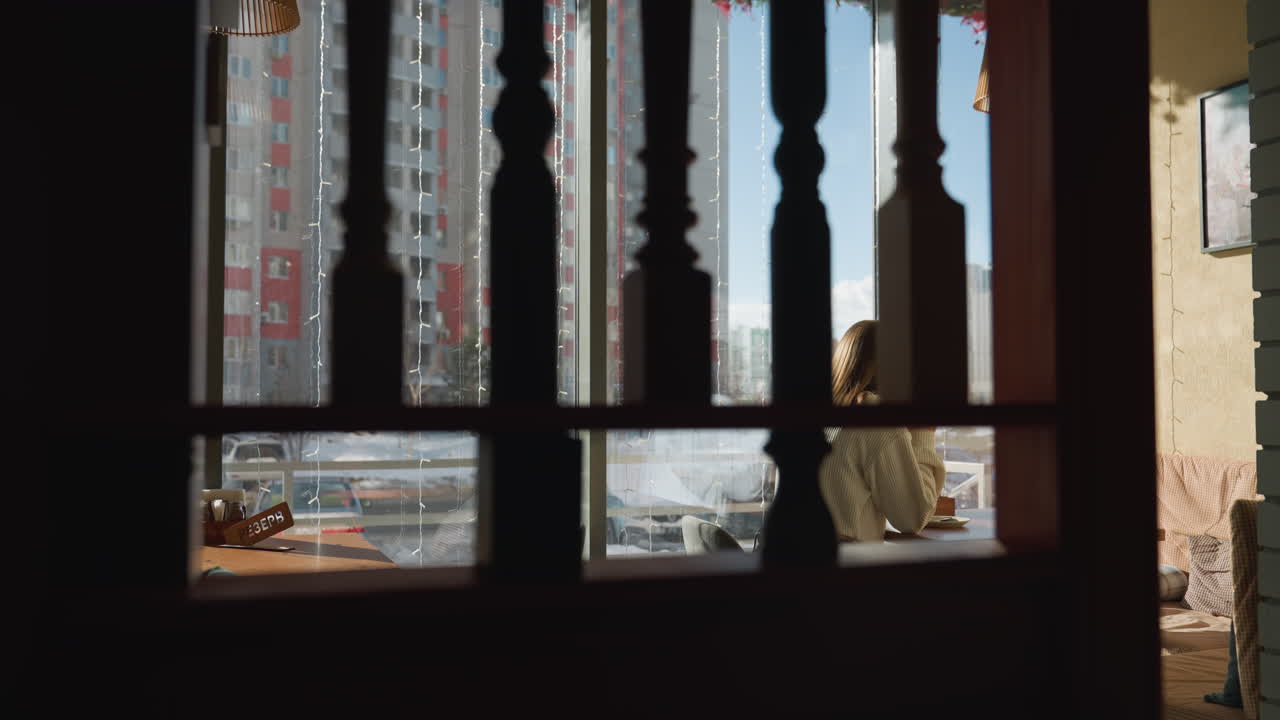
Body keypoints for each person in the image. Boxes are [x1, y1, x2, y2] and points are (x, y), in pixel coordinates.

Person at [819, 320, 947, 542]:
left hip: (799, 564)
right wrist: (923, 433)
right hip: (846, 570)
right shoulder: (876, 419)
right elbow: (913, 518)